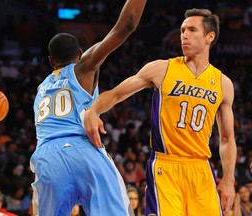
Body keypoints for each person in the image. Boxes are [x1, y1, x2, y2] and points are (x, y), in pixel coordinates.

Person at [84, 8, 236, 216]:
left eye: (192, 30)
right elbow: (116, 94)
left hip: (201, 168)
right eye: (183, 30)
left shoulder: (223, 83)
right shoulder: (161, 69)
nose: (184, 35)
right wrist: (93, 110)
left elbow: (227, 138)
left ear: (210, 36)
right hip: (166, 165)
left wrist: (228, 179)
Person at [29, 0, 147, 215]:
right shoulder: (82, 68)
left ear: (50, 60)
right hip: (82, 150)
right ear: (80, 53)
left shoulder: (41, 88)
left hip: (46, 157)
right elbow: (126, 25)